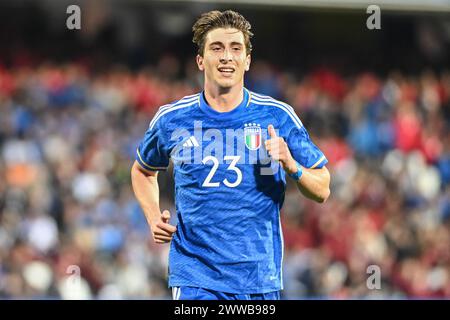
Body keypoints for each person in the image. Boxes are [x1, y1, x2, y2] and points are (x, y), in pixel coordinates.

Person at [131, 10, 330, 300]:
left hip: (259, 277)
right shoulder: (172, 119)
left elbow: (322, 188)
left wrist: (291, 165)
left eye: (236, 49)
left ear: (247, 60)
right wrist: (152, 217)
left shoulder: (277, 116)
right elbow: (142, 170)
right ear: (201, 60)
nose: (227, 56)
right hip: (196, 277)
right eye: (216, 48)